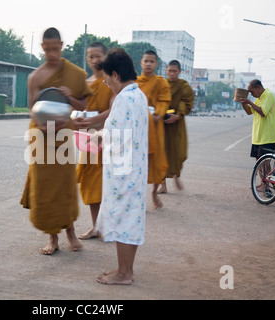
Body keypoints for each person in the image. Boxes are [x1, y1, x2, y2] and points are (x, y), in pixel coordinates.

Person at [20, 27, 92, 255]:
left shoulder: (76, 73)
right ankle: (53, 238)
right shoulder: (35, 77)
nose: (52, 53)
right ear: (43, 48)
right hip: (41, 137)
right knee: (45, 189)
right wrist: (41, 125)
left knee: (65, 186)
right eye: (48, 49)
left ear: (62, 45)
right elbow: (32, 109)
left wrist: (69, 95)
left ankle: (70, 232)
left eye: (56, 48)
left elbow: (83, 105)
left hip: (63, 136)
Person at [94, 48, 149, 285]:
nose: (108, 85)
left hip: (123, 171)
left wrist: (97, 135)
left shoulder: (124, 99)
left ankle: (124, 273)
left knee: (123, 218)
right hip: (134, 168)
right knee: (132, 218)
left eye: (107, 80)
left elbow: (115, 136)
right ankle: (125, 268)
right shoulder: (139, 95)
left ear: (115, 75)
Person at [74, 42, 114, 240]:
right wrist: (78, 119)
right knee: (90, 183)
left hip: (106, 136)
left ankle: (107, 225)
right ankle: (96, 226)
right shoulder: (87, 83)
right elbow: (79, 108)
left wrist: (92, 120)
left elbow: (113, 110)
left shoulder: (111, 81)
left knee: (106, 183)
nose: (94, 60)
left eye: (98, 56)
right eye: (91, 56)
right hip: (87, 139)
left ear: (105, 57)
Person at [240, 79, 275, 201]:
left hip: (267, 136)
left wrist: (249, 101)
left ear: (258, 87)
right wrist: (243, 103)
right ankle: (263, 183)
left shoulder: (268, 95)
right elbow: (249, 112)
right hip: (258, 136)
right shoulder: (259, 98)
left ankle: (268, 187)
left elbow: (262, 112)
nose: (251, 94)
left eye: (252, 91)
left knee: (266, 163)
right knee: (259, 162)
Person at [136, 50, 171, 209]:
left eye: (152, 61)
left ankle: (154, 192)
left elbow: (164, 100)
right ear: (141, 63)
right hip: (138, 128)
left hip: (155, 127)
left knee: (157, 163)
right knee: (139, 165)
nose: (149, 64)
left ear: (156, 64)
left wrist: (159, 113)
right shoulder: (135, 82)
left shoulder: (160, 82)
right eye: (146, 61)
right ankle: (140, 199)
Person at [160, 60, 195, 193]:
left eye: (174, 71)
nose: (172, 74)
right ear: (166, 71)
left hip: (177, 123)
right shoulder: (162, 84)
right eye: (169, 71)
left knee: (179, 152)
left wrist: (178, 114)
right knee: (162, 153)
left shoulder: (183, 86)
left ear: (179, 71)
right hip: (162, 124)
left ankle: (176, 175)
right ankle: (162, 184)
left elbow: (186, 101)